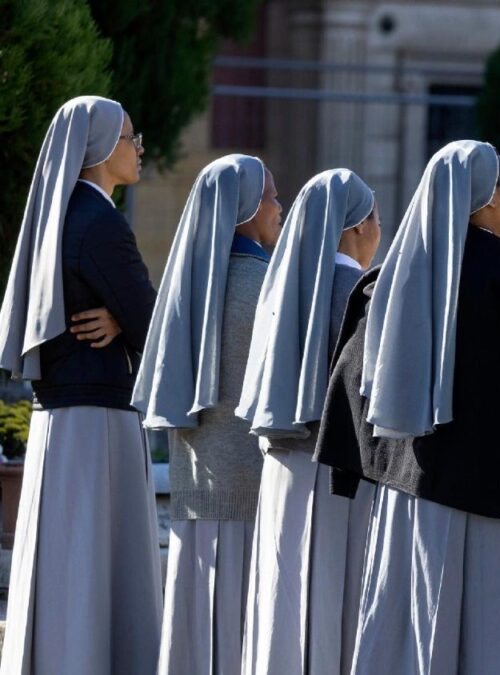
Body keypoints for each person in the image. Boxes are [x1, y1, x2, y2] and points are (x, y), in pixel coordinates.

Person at [315, 140, 500, 674]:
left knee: (418, 635)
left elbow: (352, 382)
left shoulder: (388, 282)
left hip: (415, 503)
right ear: (486, 200)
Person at [0, 96, 162, 674]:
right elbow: (156, 325)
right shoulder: (101, 224)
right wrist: (127, 319)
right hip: (97, 425)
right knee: (95, 567)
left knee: (67, 567)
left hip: (57, 421)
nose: (138, 149)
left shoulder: (61, 216)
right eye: (129, 138)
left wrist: (118, 317)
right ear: (99, 151)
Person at [131, 154, 282, 675]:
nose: (280, 208)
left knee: (198, 636)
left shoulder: (186, 287)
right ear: (246, 207)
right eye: (273, 197)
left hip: (196, 493)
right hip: (252, 492)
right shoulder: (268, 288)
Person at [237, 169, 380, 675]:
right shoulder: (358, 291)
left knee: (283, 595)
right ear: (356, 227)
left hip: (282, 470)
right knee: (328, 602)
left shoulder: (280, 286)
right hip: (336, 473)